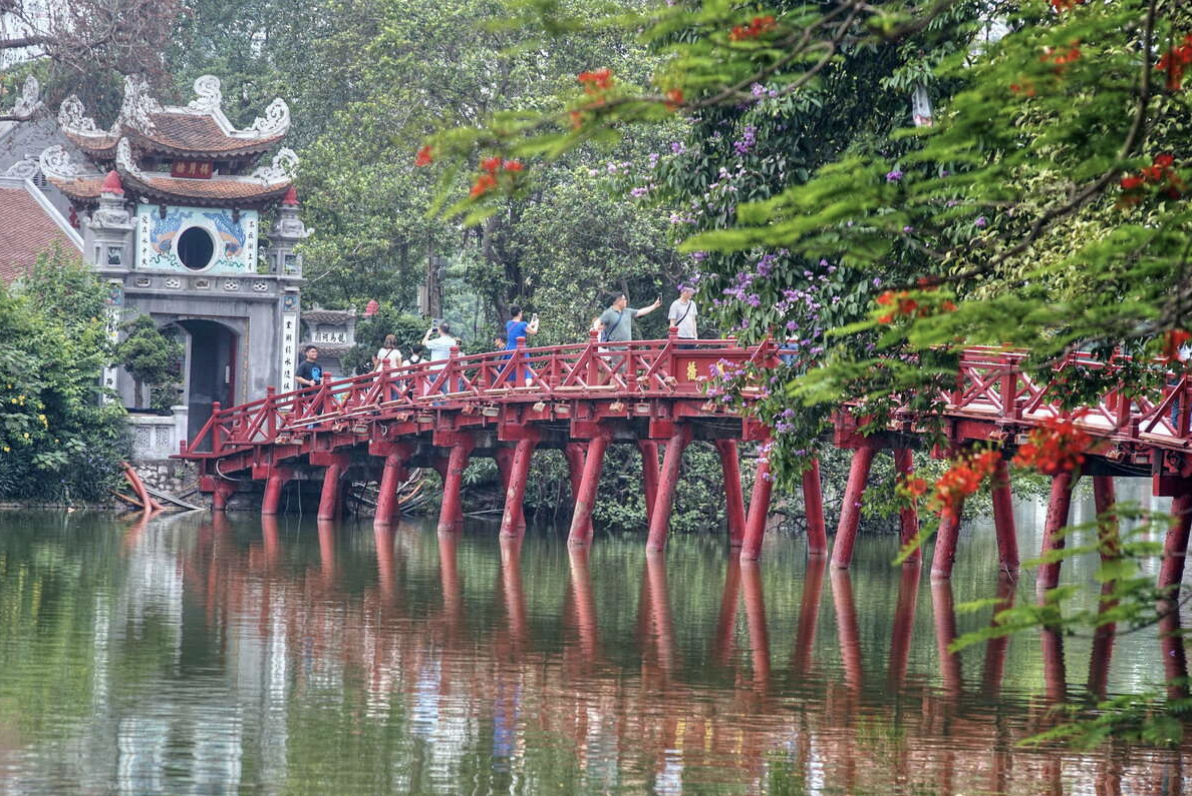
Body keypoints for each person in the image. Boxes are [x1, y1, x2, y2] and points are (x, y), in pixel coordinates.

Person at [598, 292, 662, 376]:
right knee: (618, 371)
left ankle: (618, 388)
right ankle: (616, 388)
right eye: (624, 299)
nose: (626, 301)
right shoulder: (609, 313)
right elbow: (598, 321)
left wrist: (653, 306)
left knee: (626, 371)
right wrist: (595, 328)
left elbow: (640, 312)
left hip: (627, 347)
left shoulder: (627, 311)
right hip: (615, 348)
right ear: (618, 301)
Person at [501, 306, 539, 385]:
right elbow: (534, 332)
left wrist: (531, 323)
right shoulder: (523, 324)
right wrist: (537, 323)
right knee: (526, 371)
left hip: (510, 350)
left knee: (509, 372)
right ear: (519, 314)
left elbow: (519, 328)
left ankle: (507, 393)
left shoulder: (508, 324)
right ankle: (528, 390)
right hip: (521, 351)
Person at [422, 322, 458, 394]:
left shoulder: (437, 342)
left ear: (440, 330)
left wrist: (428, 333)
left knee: (436, 392)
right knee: (444, 389)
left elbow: (423, 343)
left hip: (435, 369)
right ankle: (447, 403)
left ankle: (443, 404)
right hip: (446, 369)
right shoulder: (453, 341)